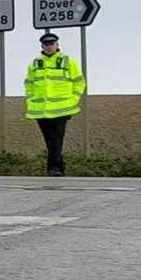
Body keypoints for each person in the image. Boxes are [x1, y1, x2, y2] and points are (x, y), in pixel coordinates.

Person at [24, 32, 86, 176]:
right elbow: (29, 83)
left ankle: (53, 168)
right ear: (42, 46)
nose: (49, 47)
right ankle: (60, 167)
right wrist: (30, 97)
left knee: (55, 138)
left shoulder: (68, 61)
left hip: (61, 108)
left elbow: (79, 81)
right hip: (40, 108)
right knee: (49, 140)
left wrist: (74, 99)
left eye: (52, 44)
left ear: (57, 45)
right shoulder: (35, 63)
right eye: (46, 44)